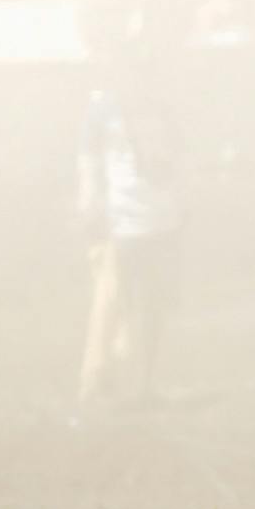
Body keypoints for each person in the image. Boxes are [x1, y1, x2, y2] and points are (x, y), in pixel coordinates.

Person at [73, 90, 179, 416]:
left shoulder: (161, 103)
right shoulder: (103, 106)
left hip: (159, 221)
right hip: (120, 223)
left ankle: (144, 383)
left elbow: (173, 159)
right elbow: (88, 159)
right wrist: (90, 202)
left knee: (152, 305)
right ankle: (95, 384)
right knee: (111, 301)